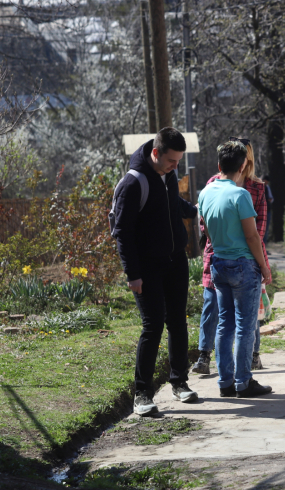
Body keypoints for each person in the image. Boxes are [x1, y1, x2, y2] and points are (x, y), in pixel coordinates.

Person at [112, 127, 199, 416]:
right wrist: (132, 274)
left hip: (176, 260)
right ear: (155, 153)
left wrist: (194, 211)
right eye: (172, 160)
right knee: (152, 326)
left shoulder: (168, 174)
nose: (176, 166)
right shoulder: (133, 183)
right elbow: (123, 233)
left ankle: (179, 383)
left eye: (178, 161)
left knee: (178, 322)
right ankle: (142, 394)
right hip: (147, 267)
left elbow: (171, 203)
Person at [197, 140, 274, 398]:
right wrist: (264, 267)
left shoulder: (205, 192)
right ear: (242, 167)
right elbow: (253, 236)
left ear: (219, 165)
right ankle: (244, 381)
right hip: (243, 265)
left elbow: (206, 229)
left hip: (218, 263)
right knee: (244, 326)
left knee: (225, 325)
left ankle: (225, 382)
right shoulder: (240, 195)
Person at [263, 175, 274, 243]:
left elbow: (271, 198)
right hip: (260, 211)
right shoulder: (257, 188)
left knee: (266, 229)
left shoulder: (267, 188)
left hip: (267, 210)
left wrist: (269, 199)